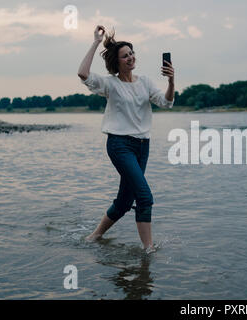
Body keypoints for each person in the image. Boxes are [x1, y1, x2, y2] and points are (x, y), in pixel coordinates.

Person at [78, 26, 175, 254]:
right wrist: (95, 42)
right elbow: (83, 73)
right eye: (125, 55)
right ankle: (148, 251)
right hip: (120, 145)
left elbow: (167, 102)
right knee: (144, 196)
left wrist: (171, 82)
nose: (130, 57)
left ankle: (94, 236)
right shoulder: (110, 84)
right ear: (117, 62)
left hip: (142, 147)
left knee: (124, 201)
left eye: (132, 53)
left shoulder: (146, 82)